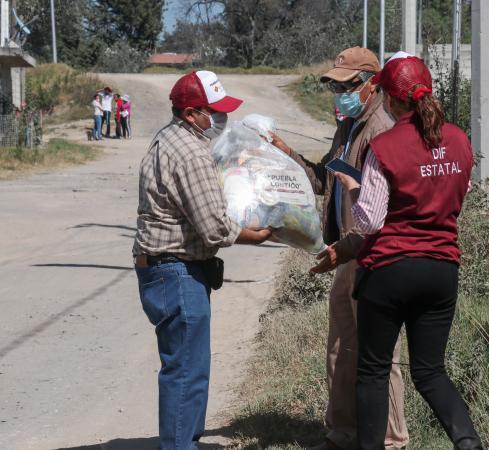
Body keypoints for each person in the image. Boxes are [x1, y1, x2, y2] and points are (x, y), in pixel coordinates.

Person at [334, 56, 483, 450]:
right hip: (442, 270)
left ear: (390, 99)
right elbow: (458, 195)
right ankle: (468, 442)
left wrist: (353, 187)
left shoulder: (384, 147)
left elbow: (368, 221)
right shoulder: (459, 139)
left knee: (374, 371)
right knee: (430, 371)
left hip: (390, 271)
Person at [270, 47, 409, 450]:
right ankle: (343, 434)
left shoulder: (381, 128)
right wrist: (285, 154)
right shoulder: (348, 127)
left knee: (380, 355)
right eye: (334, 84)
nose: (339, 91)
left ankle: (391, 439)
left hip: (371, 253)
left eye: (347, 85)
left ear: (370, 84)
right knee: (342, 348)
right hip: (346, 252)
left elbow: (382, 202)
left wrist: (351, 246)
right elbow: (325, 178)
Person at [132, 70, 272, 450]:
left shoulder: (169, 137)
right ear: (192, 113)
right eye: (215, 112)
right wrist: (258, 235)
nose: (221, 119)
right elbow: (214, 228)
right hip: (176, 272)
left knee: (186, 367)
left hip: (161, 270)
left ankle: (183, 442)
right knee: (186, 373)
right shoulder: (191, 152)